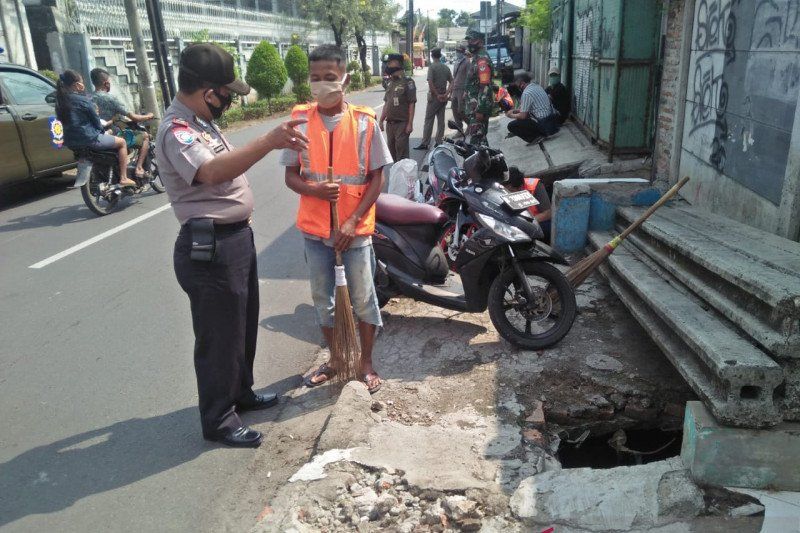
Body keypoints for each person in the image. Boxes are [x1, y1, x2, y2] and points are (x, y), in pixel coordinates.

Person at [156, 43, 308, 448]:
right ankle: (219, 419)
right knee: (219, 337)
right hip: (211, 248)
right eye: (226, 93)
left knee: (241, 324)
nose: (229, 101)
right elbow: (209, 171)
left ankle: (240, 393)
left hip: (235, 239)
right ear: (208, 92)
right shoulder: (177, 129)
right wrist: (269, 141)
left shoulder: (201, 122)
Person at [283, 44, 392, 394]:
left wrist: (352, 222)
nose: (321, 84)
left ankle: (366, 363)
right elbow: (291, 176)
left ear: (344, 77)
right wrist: (314, 191)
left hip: (354, 234)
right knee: (323, 300)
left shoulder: (364, 122)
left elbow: (377, 178)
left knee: (363, 299)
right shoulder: (299, 119)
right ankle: (335, 360)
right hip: (315, 233)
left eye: (329, 77)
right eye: (315, 78)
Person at [55, 69, 136, 188]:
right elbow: (96, 122)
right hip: (89, 139)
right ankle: (124, 178)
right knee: (122, 142)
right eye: (82, 82)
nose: (83, 84)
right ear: (77, 85)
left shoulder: (60, 102)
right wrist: (105, 131)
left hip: (71, 143)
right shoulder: (83, 100)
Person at [90, 68, 155, 180]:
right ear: (106, 83)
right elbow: (135, 117)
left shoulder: (89, 98)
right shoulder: (110, 99)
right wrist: (149, 115)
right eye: (109, 81)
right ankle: (139, 168)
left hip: (98, 134)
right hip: (113, 133)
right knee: (144, 137)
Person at [379, 53, 416, 161]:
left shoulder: (408, 82)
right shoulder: (391, 83)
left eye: (390, 63)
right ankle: (396, 176)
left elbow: (411, 103)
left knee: (402, 154)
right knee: (392, 154)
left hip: (402, 124)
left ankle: (403, 177)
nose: (388, 65)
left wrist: (410, 123)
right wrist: (381, 121)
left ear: (398, 64)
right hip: (390, 125)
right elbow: (387, 103)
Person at [506, 72, 559, 144]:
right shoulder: (537, 86)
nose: (518, 87)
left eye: (517, 85)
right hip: (551, 122)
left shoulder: (527, 93)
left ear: (522, 83)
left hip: (544, 124)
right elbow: (527, 108)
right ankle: (539, 134)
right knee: (520, 117)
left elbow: (523, 116)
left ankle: (536, 137)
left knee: (511, 125)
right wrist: (515, 111)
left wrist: (511, 115)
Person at [414, 48, 452, 151]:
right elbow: (452, 82)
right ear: (440, 56)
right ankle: (439, 142)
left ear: (432, 56)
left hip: (434, 98)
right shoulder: (445, 68)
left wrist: (437, 95)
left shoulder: (432, 67)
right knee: (441, 120)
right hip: (443, 98)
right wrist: (446, 94)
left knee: (429, 120)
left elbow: (430, 83)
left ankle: (425, 143)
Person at [463, 30, 495, 145]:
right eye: (468, 40)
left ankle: (490, 162)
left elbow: (485, 86)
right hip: (474, 107)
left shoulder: (482, 61)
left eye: (472, 40)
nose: (469, 43)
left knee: (477, 142)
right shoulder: (477, 58)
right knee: (480, 141)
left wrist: (480, 109)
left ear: (480, 42)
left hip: (478, 108)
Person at [506, 166, 552, 242]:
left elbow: (548, 213)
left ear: (520, 188)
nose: (506, 192)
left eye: (510, 190)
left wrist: (524, 223)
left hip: (539, 222)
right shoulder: (502, 189)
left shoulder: (535, 186)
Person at [450, 44, 469, 134]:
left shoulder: (467, 62)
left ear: (463, 52)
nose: (457, 53)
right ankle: (459, 129)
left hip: (462, 89)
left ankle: (470, 125)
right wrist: (450, 90)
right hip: (455, 89)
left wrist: (466, 91)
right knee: (453, 108)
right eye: (456, 51)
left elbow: (469, 77)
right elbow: (454, 77)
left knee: (461, 110)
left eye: (459, 51)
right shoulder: (456, 61)